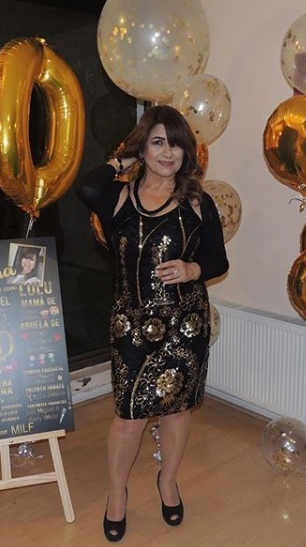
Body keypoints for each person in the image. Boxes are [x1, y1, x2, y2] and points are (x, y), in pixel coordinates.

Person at [75, 105, 229, 542]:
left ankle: (168, 481)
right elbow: (86, 186)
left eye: (176, 144)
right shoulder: (118, 197)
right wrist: (125, 157)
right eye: (158, 142)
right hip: (131, 325)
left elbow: (218, 260)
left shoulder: (197, 202)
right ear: (143, 147)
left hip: (185, 324)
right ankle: (117, 494)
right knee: (128, 417)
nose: (168, 152)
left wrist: (192, 269)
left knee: (177, 410)